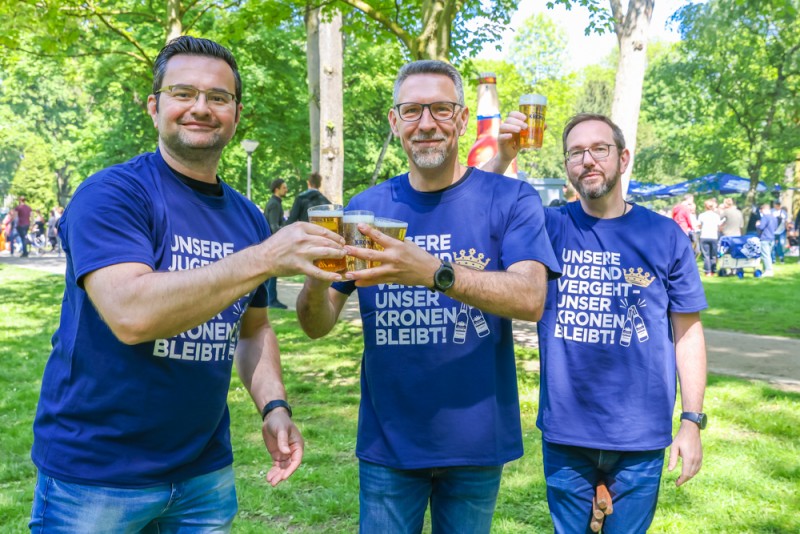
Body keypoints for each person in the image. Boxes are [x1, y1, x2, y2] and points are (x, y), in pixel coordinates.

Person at [29, 36, 346, 532]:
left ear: (236, 114)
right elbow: (131, 314)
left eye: (218, 98)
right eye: (183, 93)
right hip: (96, 475)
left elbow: (253, 330)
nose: (201, 108)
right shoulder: (113, 193)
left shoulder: (244, 216)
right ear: (155, 107)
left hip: (204, 473)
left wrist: (274, 405)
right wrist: (264, 257)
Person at [296, 60, 560, 533]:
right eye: (412, 110)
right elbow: (316, 325)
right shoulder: (366, 209)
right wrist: (317, 274)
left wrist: (432, 272)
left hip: (476, 440)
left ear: (461, 120)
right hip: (389, 442)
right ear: (395, 122)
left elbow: (530, 297)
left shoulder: (512, 199)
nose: (426, 124)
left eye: (440, 109)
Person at [490, 112, 708, 533]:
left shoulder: (665, 236)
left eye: (599, 149)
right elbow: (481, 212)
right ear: (567, 166)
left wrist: (691, 422)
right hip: (567, 433)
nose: (587, 160)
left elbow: (688, 334)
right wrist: (501, 159)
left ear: (623, 159)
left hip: (641, 436)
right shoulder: (549, 227)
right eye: (575, 152)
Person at [264, 178, 289, 308]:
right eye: (284, 187)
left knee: (272, 273)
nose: (286, 190)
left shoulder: (276, 203)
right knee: (273, 273)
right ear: (277, 189)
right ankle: (271, 301)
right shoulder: (274, 204)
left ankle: (271, 299)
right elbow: (274, 227)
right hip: (272, 243)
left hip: (271, 242)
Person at [697, 199, 721, 276]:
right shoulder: (716, 216)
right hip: (714, 236)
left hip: (704, 236)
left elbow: (699, 225)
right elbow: (719, 226)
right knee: (713, 255)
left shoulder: (702, 215)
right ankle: (713, 270)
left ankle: (707, 271)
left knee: (706, 255)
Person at [756, 203, 777, 277]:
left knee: (765, 255)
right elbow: (775, 227)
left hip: (764, 238)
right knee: (769, 255)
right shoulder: (774, 217)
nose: (761, 212)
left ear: (764, 209)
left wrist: (757, 225)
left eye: (761, 210)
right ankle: (765, 269)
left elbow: (761, 227)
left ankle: (768, 270)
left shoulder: (765, 217)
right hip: (772, 237)